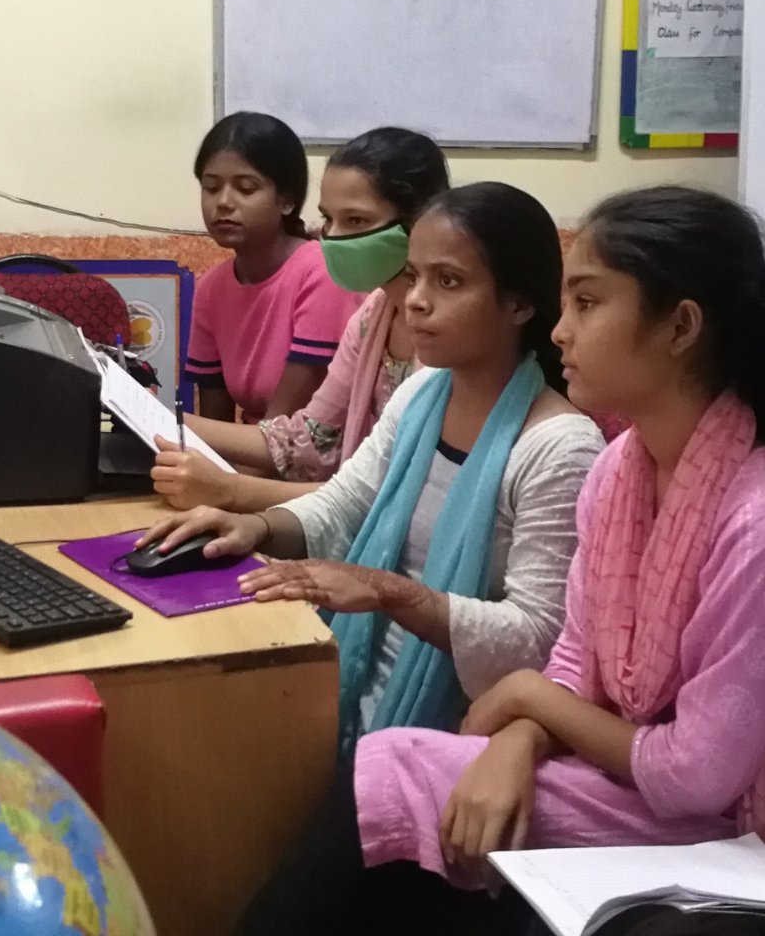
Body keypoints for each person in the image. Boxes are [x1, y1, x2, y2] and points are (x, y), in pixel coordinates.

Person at [238, 186, 765, 935]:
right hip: (624, 772)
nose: (562, 331)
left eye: (587, 304)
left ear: (680, 327)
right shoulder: (622, 471)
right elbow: (577, 659)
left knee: (395, 779)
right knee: (407, 793)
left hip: (724, 823)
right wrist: (520, 733)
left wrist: (524, 701)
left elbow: (694, 773)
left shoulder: (748, 519)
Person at [143, 182, 604, 754]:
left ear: (519, 303)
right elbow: (345, 502)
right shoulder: (424, 393)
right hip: (353, 688)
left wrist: (388, 592)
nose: (416, 300)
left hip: (453, 734)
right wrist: (255, 527)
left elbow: (536, 641)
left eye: (449, 282)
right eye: (414, 277)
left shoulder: (559, 449)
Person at [154, 127, 449, 512]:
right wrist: (161, 421)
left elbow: (385, 491)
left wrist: (230, 492)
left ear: (420, 220)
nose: (333, 238)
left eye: (357, 221)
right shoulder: (372, 317)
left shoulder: (446, 331)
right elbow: (311, 438)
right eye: (329, 219)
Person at [183, 111, 363, 425]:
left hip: (317, 458)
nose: (223, 202)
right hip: (253, 454)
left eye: (246, 188)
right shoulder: (211, 288)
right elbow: (216, 423)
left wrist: (174, 429)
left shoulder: (321, 271)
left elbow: (285, 428)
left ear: (287, 201)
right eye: (211, 188)